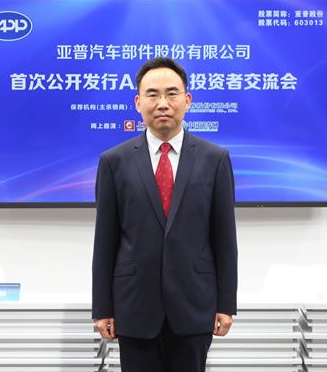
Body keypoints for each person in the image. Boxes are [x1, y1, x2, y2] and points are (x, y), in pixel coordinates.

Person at [92, 57, 238, 372]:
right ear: (138, 102)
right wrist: (102, 308)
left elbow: (225, 238)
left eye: (172, 94)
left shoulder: (215, 159)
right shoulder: (113, 161)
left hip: (194, 306)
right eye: (152, 94)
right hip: (134, 308)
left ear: (187, 100)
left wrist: (226, 304)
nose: (162, 103)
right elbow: (104, 242)